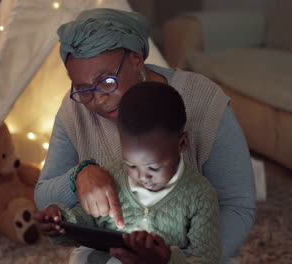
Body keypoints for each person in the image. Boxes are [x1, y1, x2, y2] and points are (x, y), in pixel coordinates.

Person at [34, 8, 256, 261]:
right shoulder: (75, 108)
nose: (97, 99)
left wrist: (172, 259)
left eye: (106, 81)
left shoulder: (202, 100)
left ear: (136, 60)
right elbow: (43, 197)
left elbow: (238, 207)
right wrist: (79, 175)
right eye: (83, 89)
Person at [36, 82, 221, 264]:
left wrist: (166, 260)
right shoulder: (112, 176)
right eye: (131, 165)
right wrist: (61, 221)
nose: (142, 177)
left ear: (181, 143)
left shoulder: (200, 196)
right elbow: (86, 222)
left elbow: (206, 258)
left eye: (154, 168)